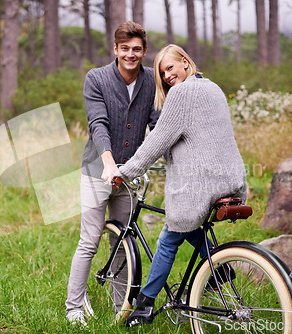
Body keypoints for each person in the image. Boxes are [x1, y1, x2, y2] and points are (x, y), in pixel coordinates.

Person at [105, 44, 247, 326]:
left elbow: (157, 141)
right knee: (189, 226)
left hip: (200, 184)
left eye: (170, 67)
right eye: (162, 73)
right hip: (229, 178)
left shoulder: (182, 94)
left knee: (169, 236)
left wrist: (127, 171)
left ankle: (144, 305)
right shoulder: (213, 88)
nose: (168, 76)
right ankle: (220, 272)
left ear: (185, 62)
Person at [65, 21, 161, 325]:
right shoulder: (96, 78)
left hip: (129, 174)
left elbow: (159, 126)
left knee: (122, 240)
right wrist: (108, 163)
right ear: (115, 49)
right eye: (125, 49)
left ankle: (122, 307)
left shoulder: (150, 81)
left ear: (144, 51)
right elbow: (98, 124)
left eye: (136, 49)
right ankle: (74, 308)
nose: (131, 55)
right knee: (90, 241)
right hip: (98, 170)